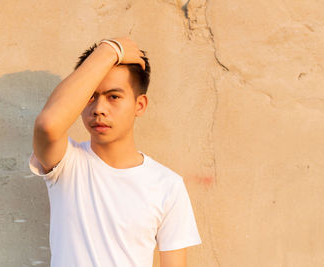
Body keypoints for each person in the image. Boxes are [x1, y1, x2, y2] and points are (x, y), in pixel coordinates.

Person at [28, 36, 202, 267]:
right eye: (91, 97)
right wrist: (109, 50)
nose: (99, 109)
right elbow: (47, 125)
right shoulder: (66, 164)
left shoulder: (167, 185)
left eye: (114, 97)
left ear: (139, 105)